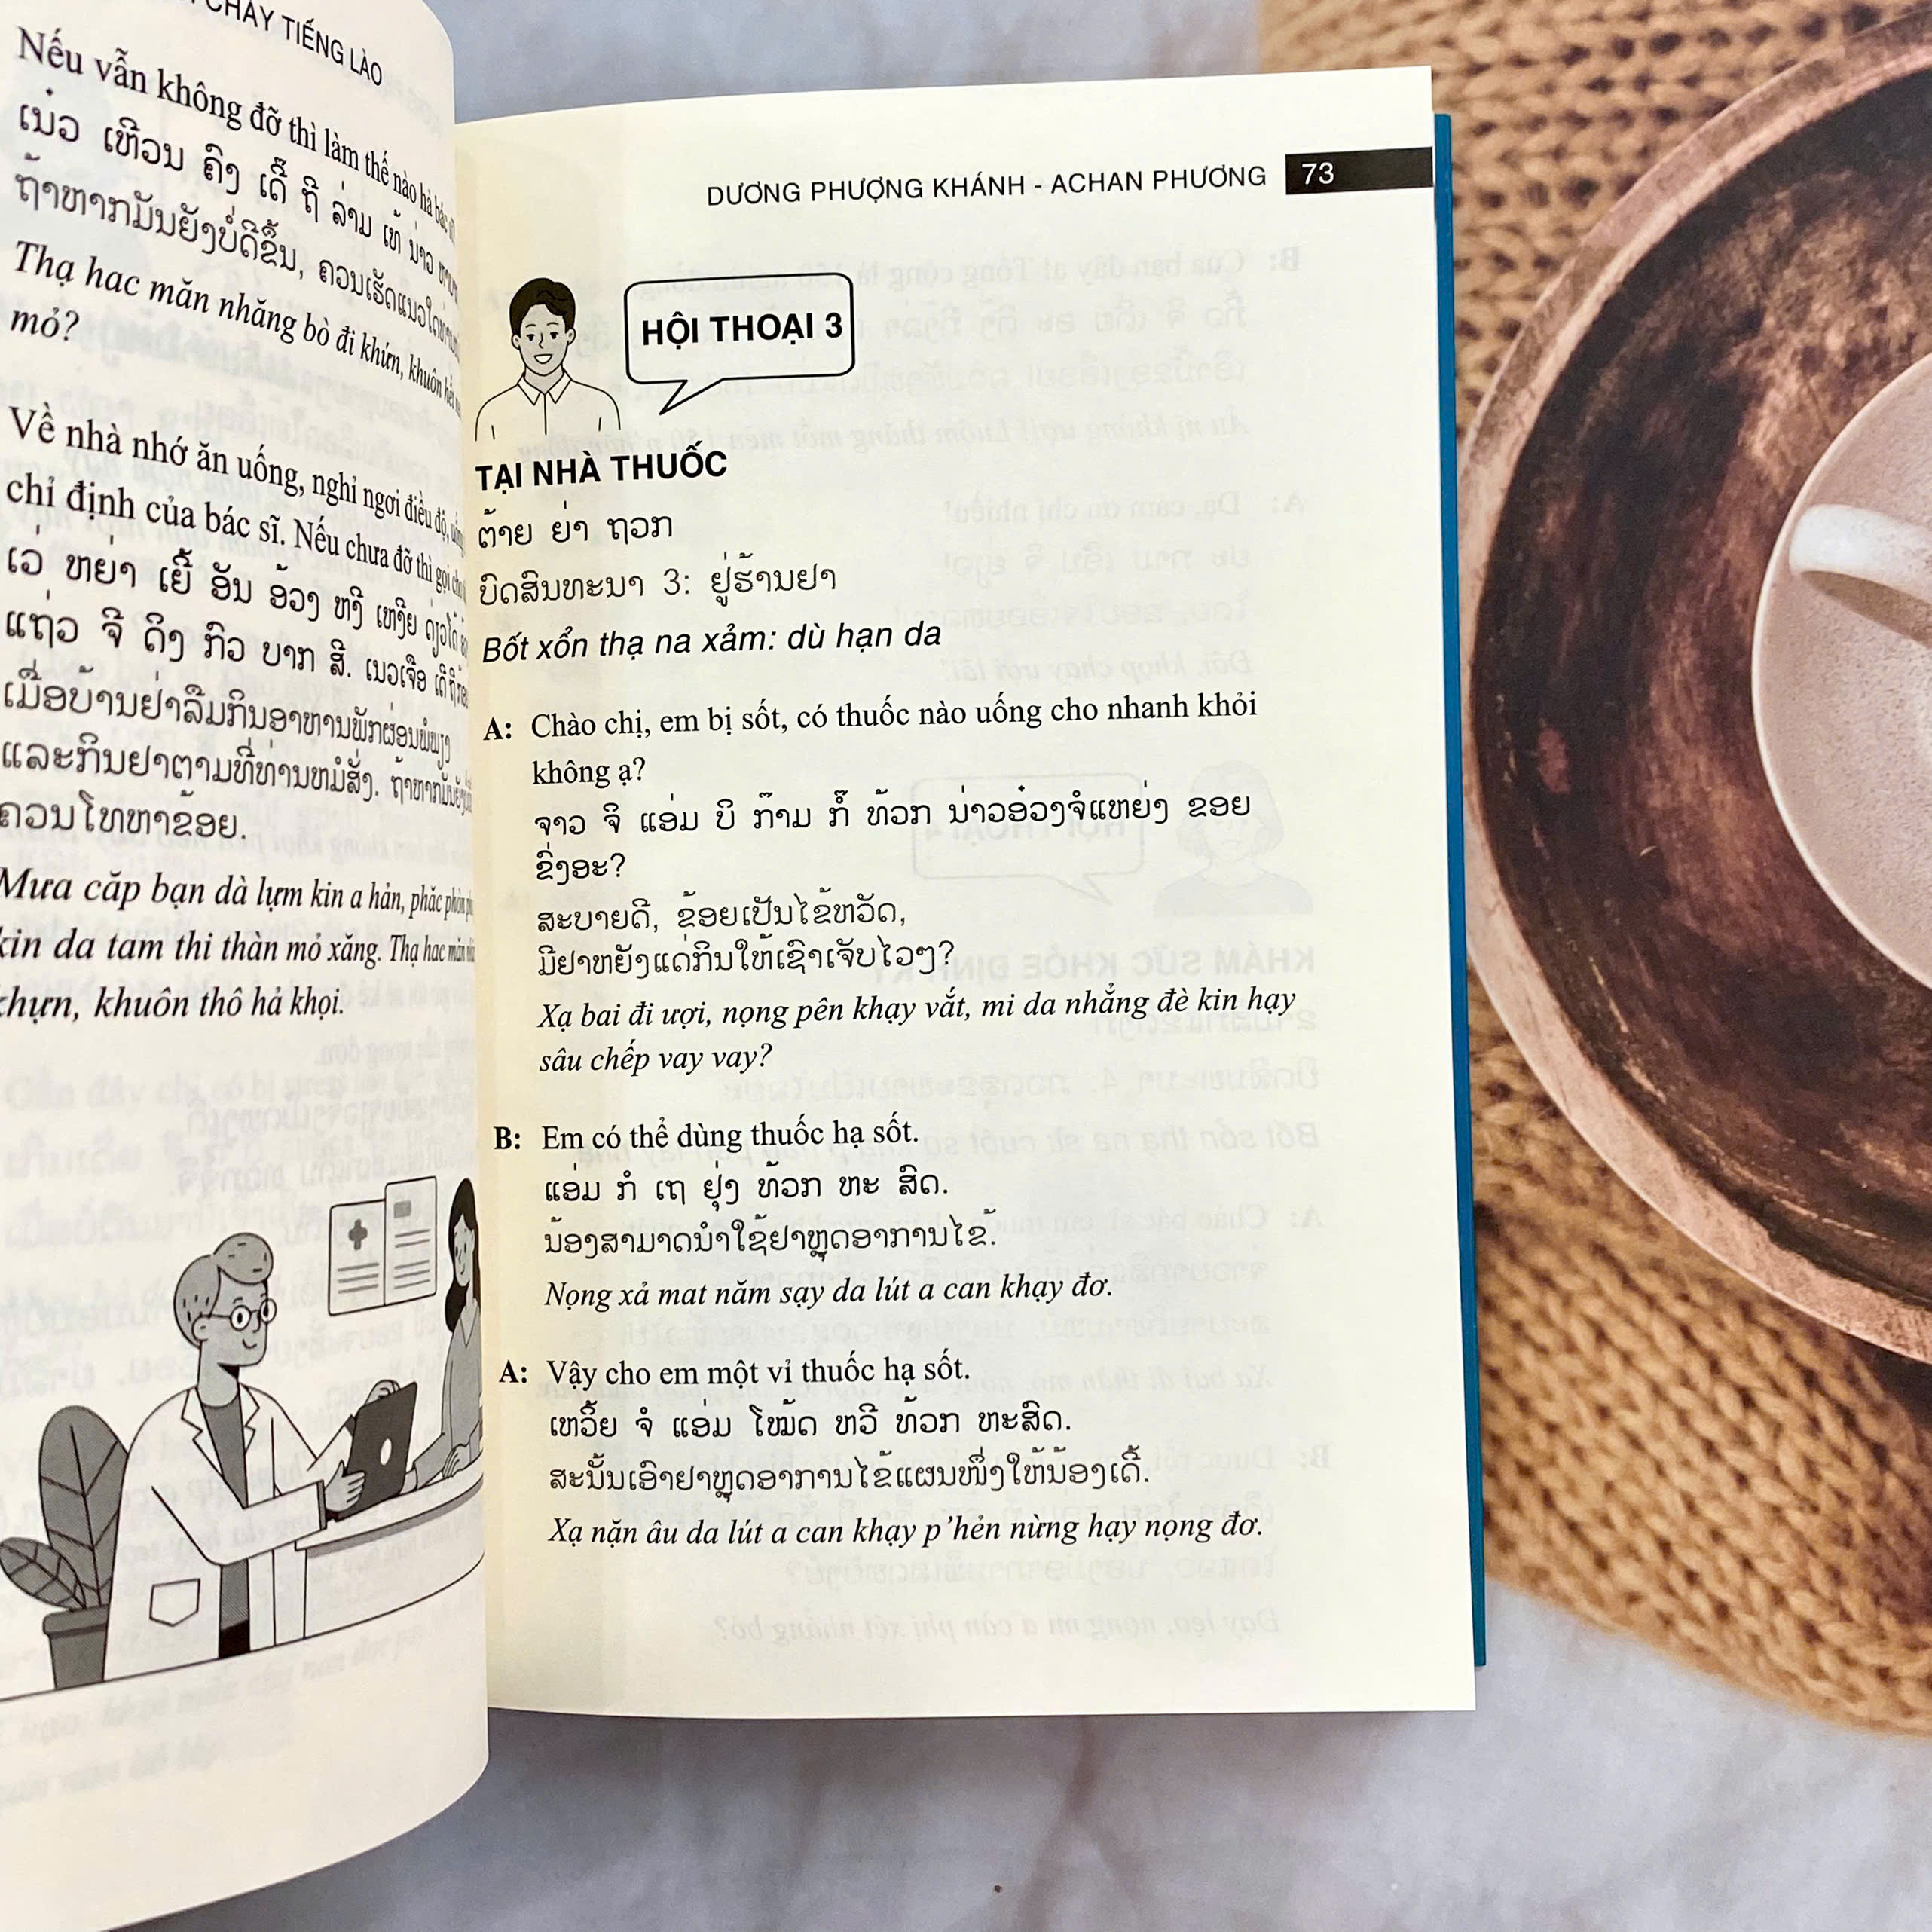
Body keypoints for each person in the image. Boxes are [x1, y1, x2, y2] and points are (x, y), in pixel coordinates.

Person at [105, 1233, 393, 1680]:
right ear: (201, 1328)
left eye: (263, 1312)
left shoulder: (263, 1412)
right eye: (241, 1316)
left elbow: (305, 1479)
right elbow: (226, 1535)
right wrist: (321, 1504)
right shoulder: (165, 1436)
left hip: (252, 1629)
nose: (256, 1328)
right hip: (182, 1638)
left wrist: (359, 1425)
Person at [1154, 762, 1313, 915]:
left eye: (1244, 820)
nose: (1232, 830)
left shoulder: (1292, 898)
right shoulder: (1173, 900)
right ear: (1200, 826)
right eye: (1219, 821)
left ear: (1262, 825)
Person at [472, 277, 619, 442]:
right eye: (531, 336)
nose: (542, 344)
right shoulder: (492, 415)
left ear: (569, 335)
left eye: (553, 334)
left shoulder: (601, 407)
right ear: (517, 340)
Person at [405, 1179, 482, 1490]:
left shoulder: (482, 1324)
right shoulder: (458, 1333)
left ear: (474, 1241)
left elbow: (497, 1404)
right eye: (454, 1249)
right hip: (458, 1484)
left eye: (464, 1246)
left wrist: (471, 1450)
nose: (460, 1259)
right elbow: (447, 1437)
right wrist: (413, 1478)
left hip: (475, 1473)